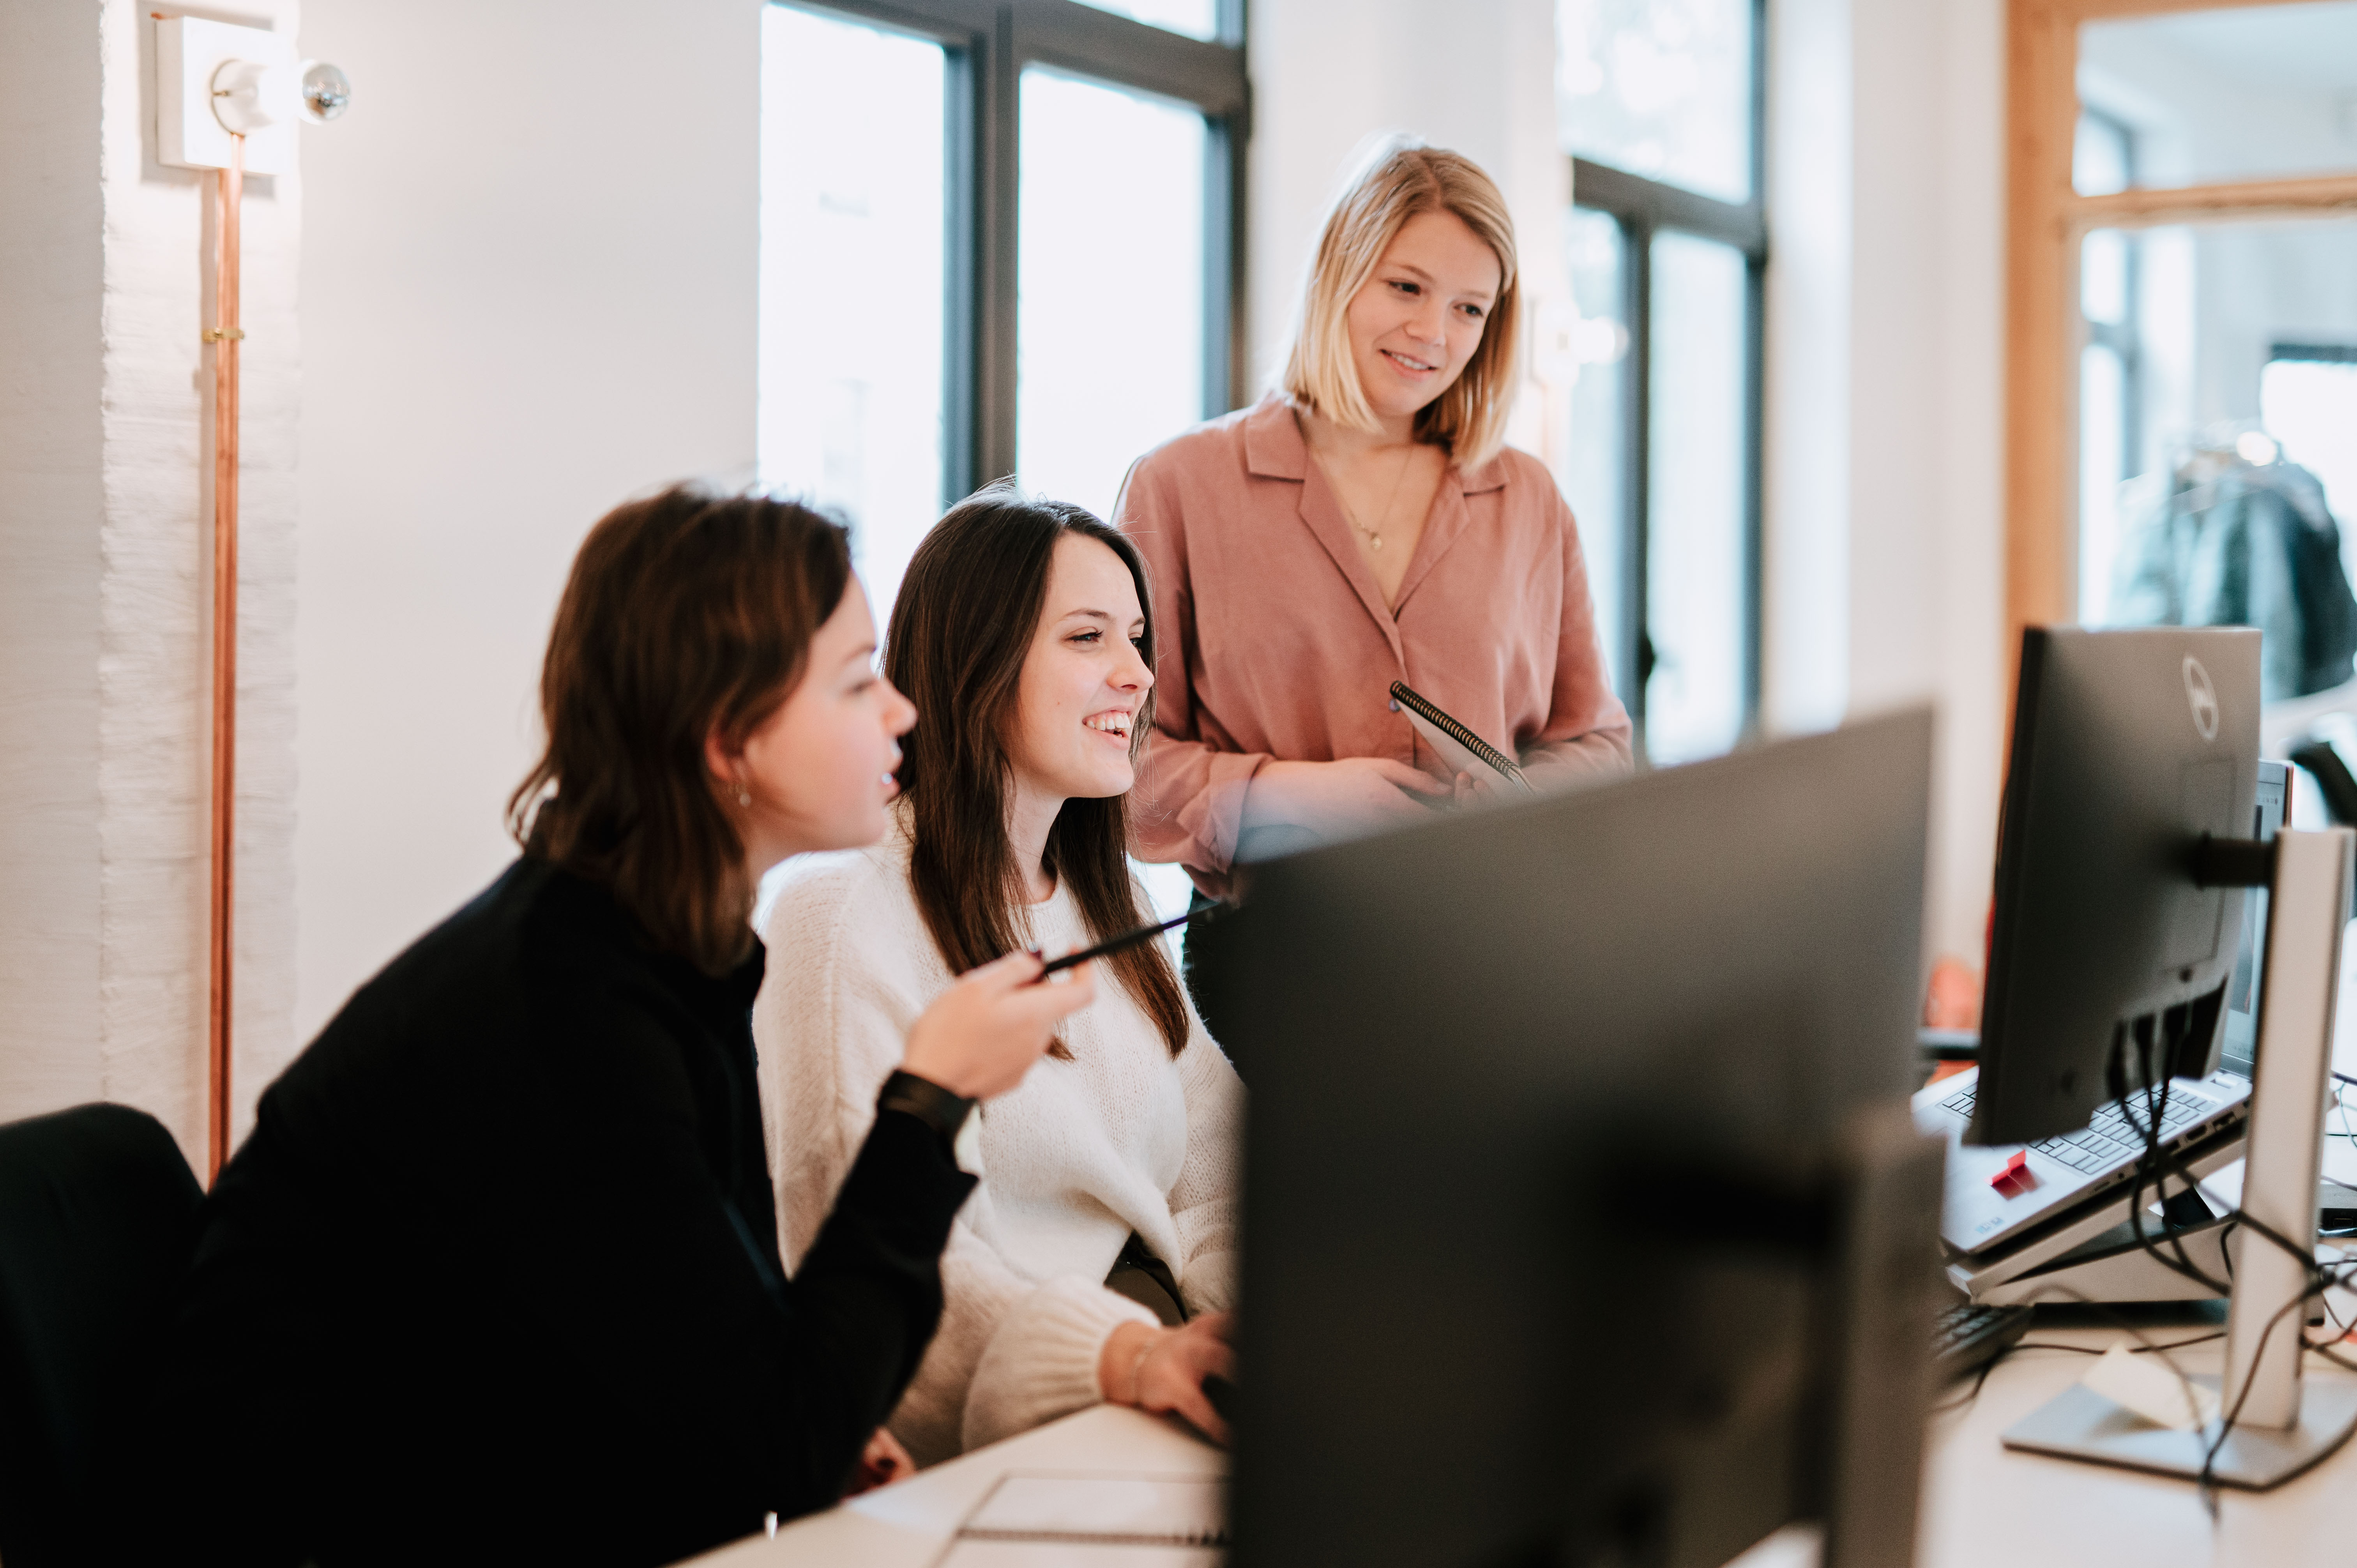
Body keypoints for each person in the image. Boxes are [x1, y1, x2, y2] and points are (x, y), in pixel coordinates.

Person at [120, 488, 1097, 1568]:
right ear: (729, 738)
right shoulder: (560, 1010)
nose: (901, 713)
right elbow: (771, 1440)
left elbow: (712, 1353)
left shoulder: (671, 947)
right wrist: (929, 1102)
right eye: (859, 681)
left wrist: (803, 1414)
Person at [757, 484, 1242, 1467]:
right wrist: (1130, 1353)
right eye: (1087, 638)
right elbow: (861, 1253)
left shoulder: (1119, 905)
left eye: (1138, 639)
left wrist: (1230, 1328)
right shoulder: (838, 911)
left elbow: (1219, 1164)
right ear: (977, 661)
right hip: (1020, 1427)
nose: (1137, 675)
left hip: (1155, 1377)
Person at [1115, 138, 1634, 1053]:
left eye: (1469, 307)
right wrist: (1286, 795)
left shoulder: (1529, 499)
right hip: (1272, 966)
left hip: (1487, 953)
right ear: (1339, 274)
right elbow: (1123, 768)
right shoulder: (1180, 486)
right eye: (1406, 287)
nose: (1434, 333)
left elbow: (1595, 741)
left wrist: (1510, 798)